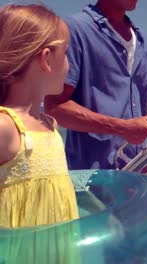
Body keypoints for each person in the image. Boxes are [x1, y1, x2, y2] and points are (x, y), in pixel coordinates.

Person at [44, 0, 147, 170]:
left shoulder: (142, 40)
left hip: (138, 173)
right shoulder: (74, 29)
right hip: (91, 177)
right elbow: (55, 107)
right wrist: (122, 128)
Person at [0, 4, 79, 263]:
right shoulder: (6, 127)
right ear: (46, 59)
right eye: (66, 53)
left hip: (57, 252)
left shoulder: (49, 124)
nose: (69, 64)